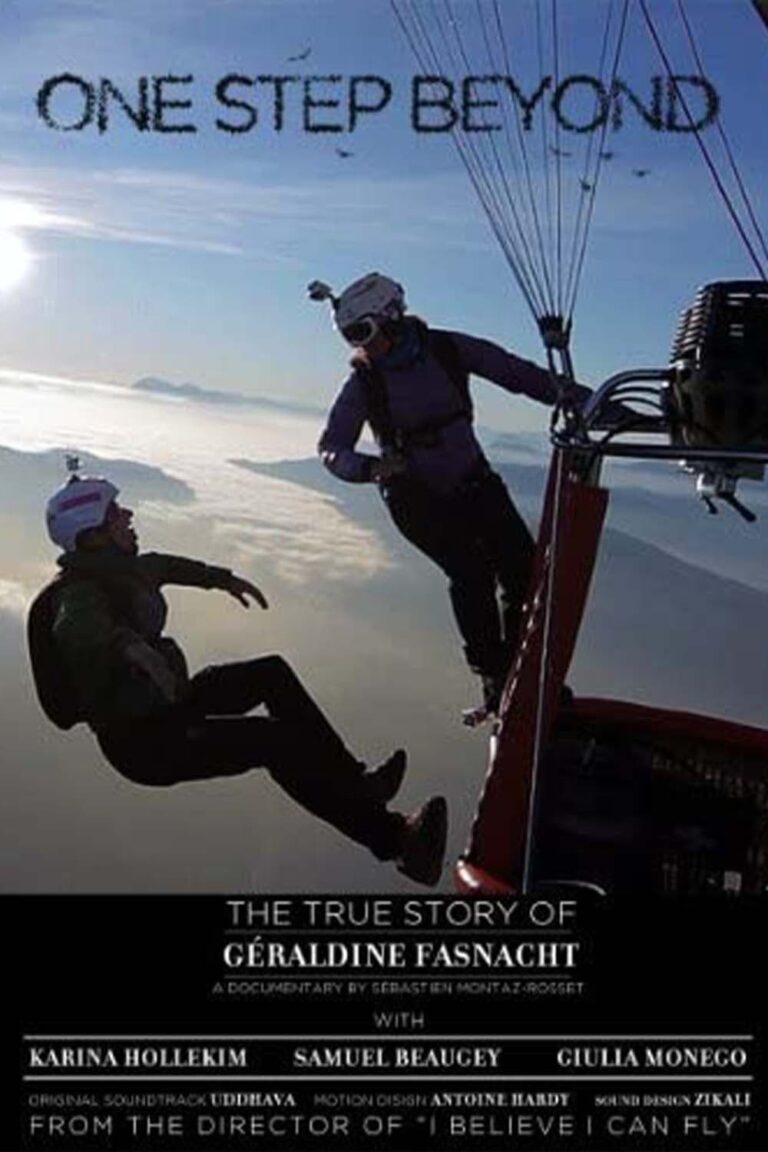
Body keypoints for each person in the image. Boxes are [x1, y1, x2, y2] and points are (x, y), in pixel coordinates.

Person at [27, 463, 448, 886]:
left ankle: (357, 784)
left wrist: (222, 580)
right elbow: (76, 631)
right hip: (144, 743)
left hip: (171, 705)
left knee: (271, 674)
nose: (127, 515)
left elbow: (167, 567)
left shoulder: (124, 570)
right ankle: (396, 841)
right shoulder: (80, 595)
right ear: (93, 534)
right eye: (115, 512)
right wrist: (126, 645)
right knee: (273, 741)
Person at [311, 272, 591, 715]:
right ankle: (494, 676)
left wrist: (590, 403)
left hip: (471, 478)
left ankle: (524, 672)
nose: (358, 345)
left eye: (361, 332)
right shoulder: (365, 382)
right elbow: (332, 447)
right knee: (470, 572)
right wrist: (370, 468)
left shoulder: (447, 349)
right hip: (414, 496)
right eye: (349, 336)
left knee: (524, 572)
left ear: (391, 318)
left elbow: (518, 374)